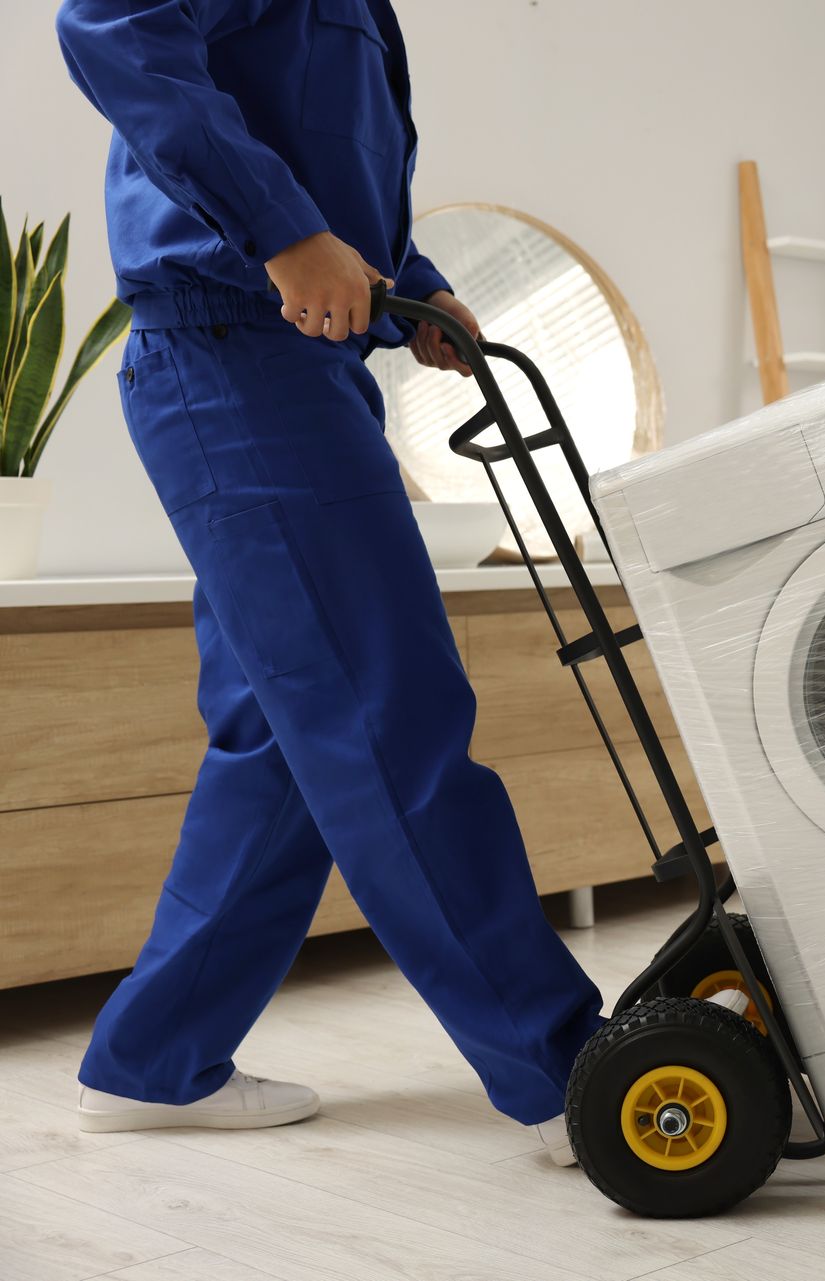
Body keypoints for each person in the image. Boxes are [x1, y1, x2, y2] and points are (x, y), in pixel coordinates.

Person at [55, 0, 601, 1166]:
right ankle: (566, 1072)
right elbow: (109, 28)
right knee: (384, 717)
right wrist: (278, 230)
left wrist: (411, 282)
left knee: (285, 742)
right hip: (237, 358)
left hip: (290, 364)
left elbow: (315, 152)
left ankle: (155, 1061)